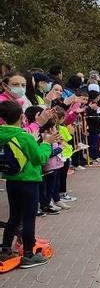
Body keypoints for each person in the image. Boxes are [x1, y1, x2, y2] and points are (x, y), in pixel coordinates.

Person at [0, 101, 55, 268]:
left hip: (11, 179)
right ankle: (29, 255)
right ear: (22, 117)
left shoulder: (2, 134)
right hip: (29, 180)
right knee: (29, 217)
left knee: (14, 216)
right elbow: (39, 158)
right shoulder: (23, 137)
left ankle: (5, 249)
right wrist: (47, 143)